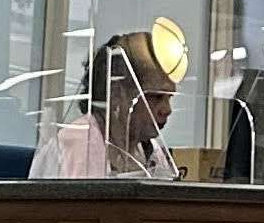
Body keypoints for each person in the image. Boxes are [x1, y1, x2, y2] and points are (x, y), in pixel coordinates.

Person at [39, 28, 184, 179]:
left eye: (170, 97)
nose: (167, 110)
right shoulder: (78, 145)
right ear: (116, 93)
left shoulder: (149, 150)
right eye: (156, 97)